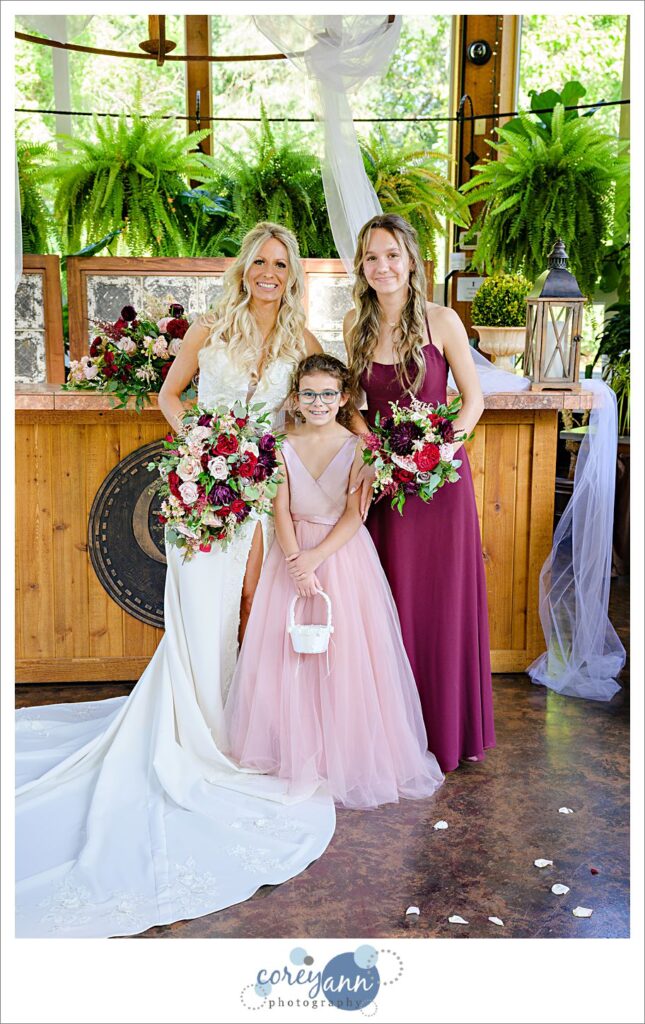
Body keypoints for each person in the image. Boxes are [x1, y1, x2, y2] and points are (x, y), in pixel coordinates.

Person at [15, 223, 335, 939]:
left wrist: (305, 448)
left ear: (291, 274)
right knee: (198, 611)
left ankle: (237, 730)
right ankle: (191, 734)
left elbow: (314, 406)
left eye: (281, 264)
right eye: (260, 261)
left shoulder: (302, 340)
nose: (269, 273)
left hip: (260, 497)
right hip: (200, 493)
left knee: (248, 610)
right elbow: (169, 395)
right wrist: (202, 446)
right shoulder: (211, 327)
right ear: (243, 267)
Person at [225, 353, 444, 809]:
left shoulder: (360, 448)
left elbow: (354, 515)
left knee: (345, 653)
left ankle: (341, 752)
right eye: (309, 394)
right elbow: (279, 509)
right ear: (296, 398)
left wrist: (316, 560)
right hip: (291, 553)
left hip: (342, 555)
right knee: (285, 651)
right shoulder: (279, 443)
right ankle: (290, 748)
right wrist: (293, 562)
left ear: (344, 398)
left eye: (328, 394)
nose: (319, 402)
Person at [344, 213, 495, 773]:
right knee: (392, 603)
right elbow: (354, 407)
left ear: (411, 260)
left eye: (391, 255)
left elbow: (473, 401)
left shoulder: (443, 321)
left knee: (441, 601)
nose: (382, 266)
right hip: (387, 490)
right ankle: (393, 736)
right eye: (371, 257)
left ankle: (446, 732)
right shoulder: (354, 327)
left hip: (441, 486)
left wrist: (438, 450)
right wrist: (375, 449)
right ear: (362, 267)